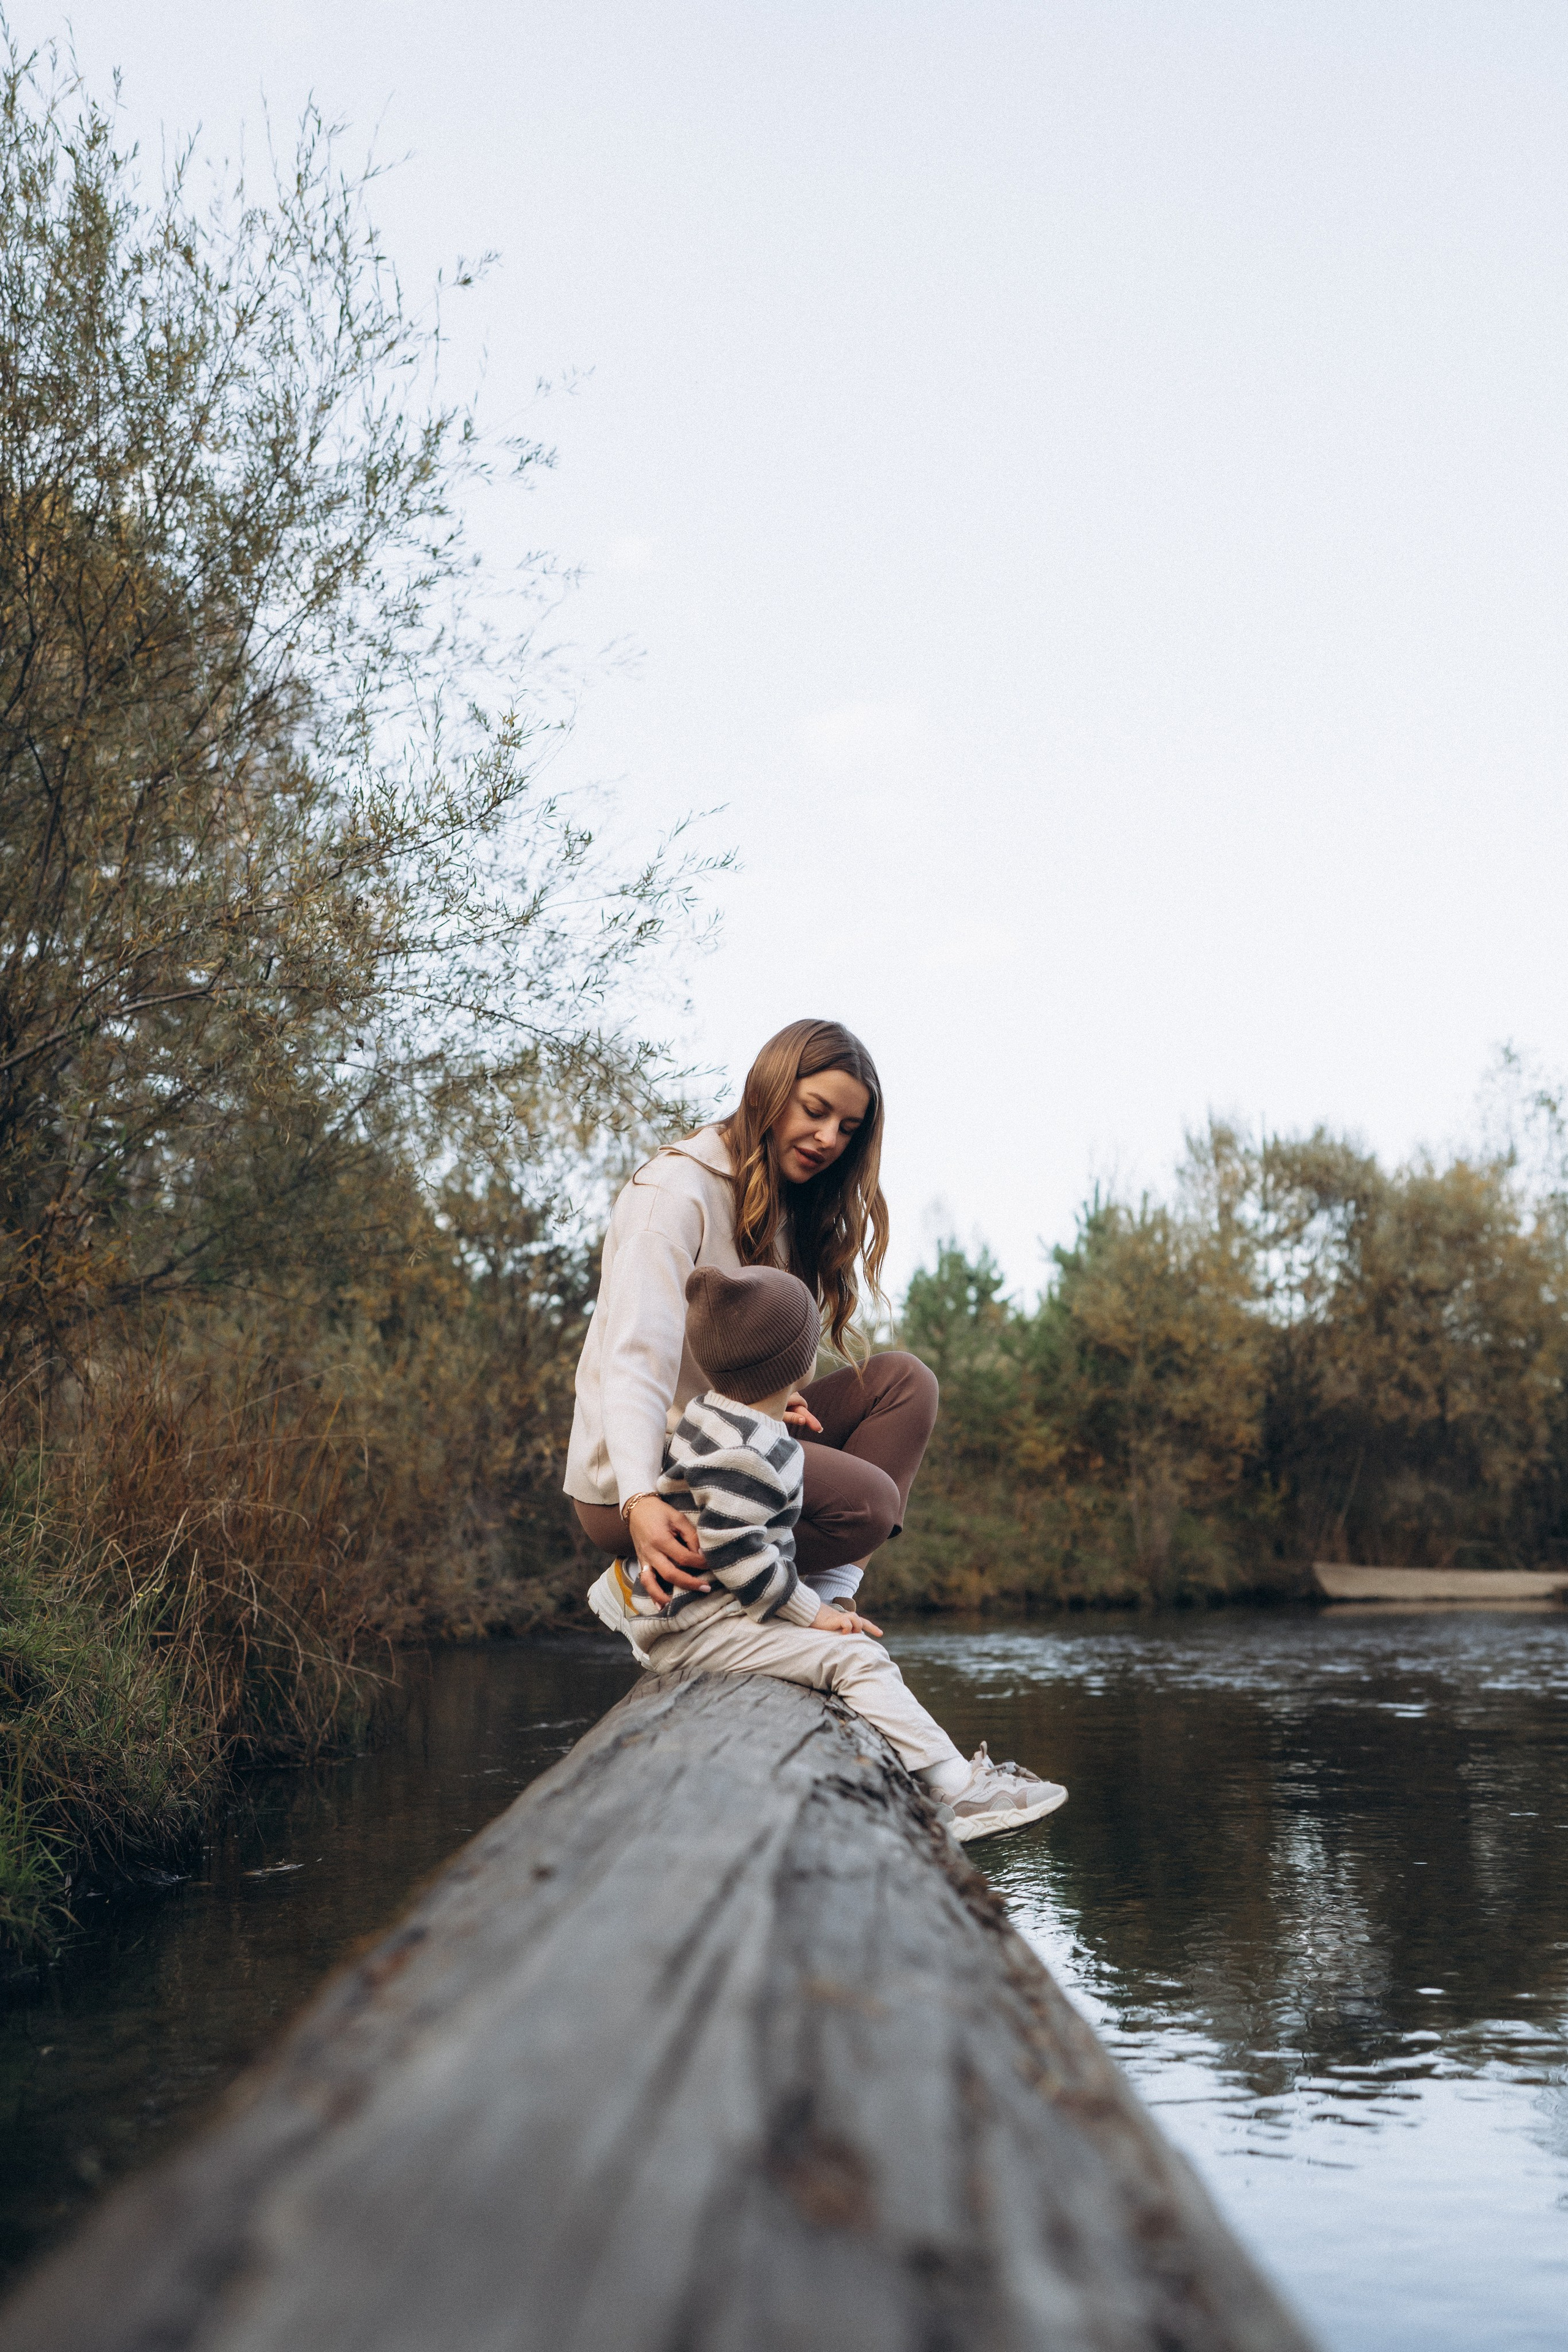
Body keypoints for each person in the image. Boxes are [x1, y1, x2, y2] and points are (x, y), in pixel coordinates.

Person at [565, 1016, 1068, 1833]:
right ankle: (804, 1616)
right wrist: (635, 1501)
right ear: (771, 1089)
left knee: (902, 1382)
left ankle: (825, 1605)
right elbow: (636, 1362)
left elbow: (746, 1353)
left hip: (731, 1453)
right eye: (814, 1109)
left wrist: (780, 1397)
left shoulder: (787, 1202)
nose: (829, 1137)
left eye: (848, 1127)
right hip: (651, 1482)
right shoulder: (676, 1192)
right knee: (869, 1503)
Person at [587, 1261, 1067, 1841]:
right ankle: (958, 1791)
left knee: (844, 1649)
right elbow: (740, 1555)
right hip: (700, 1626)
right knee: (853, 1657)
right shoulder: (748, 1455)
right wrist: (814, 1614)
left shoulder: (712, 1416)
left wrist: (769, 1414)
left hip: (697, 1612)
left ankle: (941, 1775)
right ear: (800, 1362)